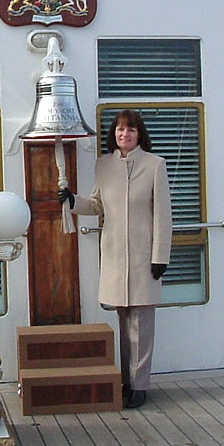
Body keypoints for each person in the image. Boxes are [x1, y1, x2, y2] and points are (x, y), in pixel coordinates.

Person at [60, 109, 173, 409]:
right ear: (114, 134)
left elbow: (163, 216)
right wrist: (73, 201)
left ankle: (141, 385)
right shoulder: (103, 166)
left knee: (142, 321)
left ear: (140, 134)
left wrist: (160, 256)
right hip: (114, 254)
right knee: (123, 319)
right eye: (121, 130)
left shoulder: (154, 165)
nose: (125, 135)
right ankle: (126, 380)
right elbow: (97, 205)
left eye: (131, 130)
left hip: (143, 255)